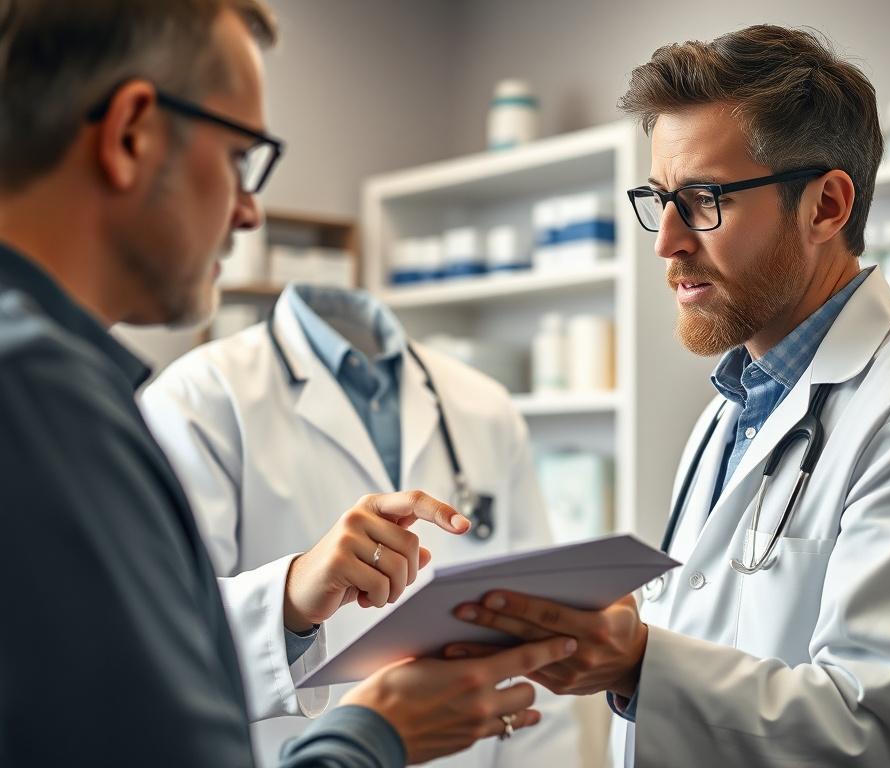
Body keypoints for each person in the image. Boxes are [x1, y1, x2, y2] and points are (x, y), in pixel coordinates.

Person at [0, 1, 576, 765]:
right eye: (241, 158)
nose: (247, 212)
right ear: (132, 133)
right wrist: (377, 734)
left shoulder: (57, 388)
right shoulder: (41, 400)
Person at [446, 25, 890, 767]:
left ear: (825, 206)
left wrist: (639, 663)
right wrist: (627, 630)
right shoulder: (733, 409)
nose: (668, 242)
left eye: (705, 199)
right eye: (660, 201)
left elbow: (872, 734)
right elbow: (722, 631)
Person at [139, 281, 583, 766]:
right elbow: (154, 642)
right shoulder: (199, 398)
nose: (248, 215)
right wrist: (288, 597)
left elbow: (538, 634)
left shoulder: (485, 405)